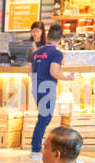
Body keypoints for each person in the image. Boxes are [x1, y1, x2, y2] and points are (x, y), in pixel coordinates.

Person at [29, 23, 72, 155]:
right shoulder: (57, 53)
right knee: (44, 118)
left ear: (47, 36)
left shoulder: (36, 53)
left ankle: (37, 148)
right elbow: (54, 72)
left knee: (43, 117)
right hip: (47, 87)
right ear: (60, 39)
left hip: (36, 86)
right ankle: (35, 150)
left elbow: (30, 71)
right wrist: (69, 77)